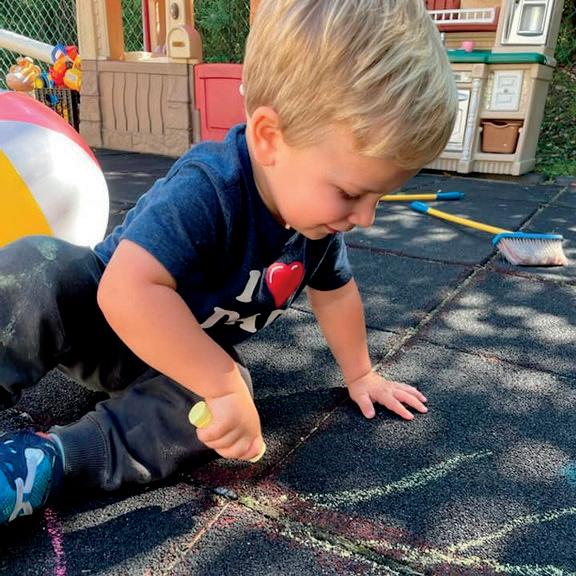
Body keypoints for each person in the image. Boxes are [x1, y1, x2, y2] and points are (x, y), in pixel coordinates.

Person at [0, 0, 457, 525]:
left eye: (378, 197)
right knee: (39, 267)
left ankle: (46, 463)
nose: (366, 217)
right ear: (269, 139)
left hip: (169, 359)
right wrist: (221, 383)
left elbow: (336, 293)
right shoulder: (210, 189)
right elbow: (125, 292)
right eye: (352, 193)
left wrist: (361, 374)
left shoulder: (315, 226)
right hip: (96, 321)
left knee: (216, 415)